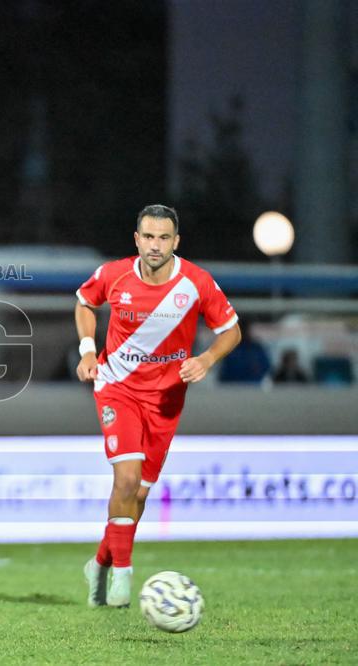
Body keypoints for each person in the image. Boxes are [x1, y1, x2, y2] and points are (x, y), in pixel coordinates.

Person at [74, 204, 241, 608]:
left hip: (166, 400)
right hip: (117, 389)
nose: (155, 245)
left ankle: (99, 562)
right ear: (137, 239)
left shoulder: (196, 283)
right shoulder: (114, 275)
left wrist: (205, 359)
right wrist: (87, 350)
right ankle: (123, 578)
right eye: (148, 237)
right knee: (126, 481)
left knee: (141, 496)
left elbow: (231, 331)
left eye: (163, 238)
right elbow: (84, 302)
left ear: (175, 241)